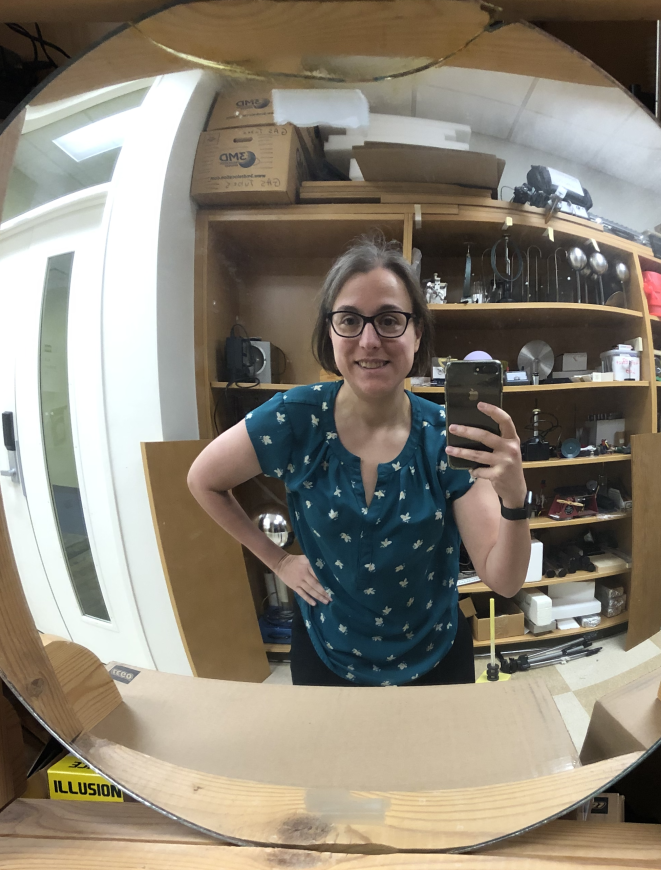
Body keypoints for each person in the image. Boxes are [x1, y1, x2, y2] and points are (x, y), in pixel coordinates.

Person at [187, 234, 532, 686]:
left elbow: (504, 582)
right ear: (330, 331)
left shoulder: (447, 435)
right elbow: (203, 480)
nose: (369, 341)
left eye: (390, 320)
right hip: (326, 655)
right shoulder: (295, 418)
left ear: (417, 332)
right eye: (349, 320)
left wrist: (515, 498)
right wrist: (278, 562)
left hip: (435, 660)